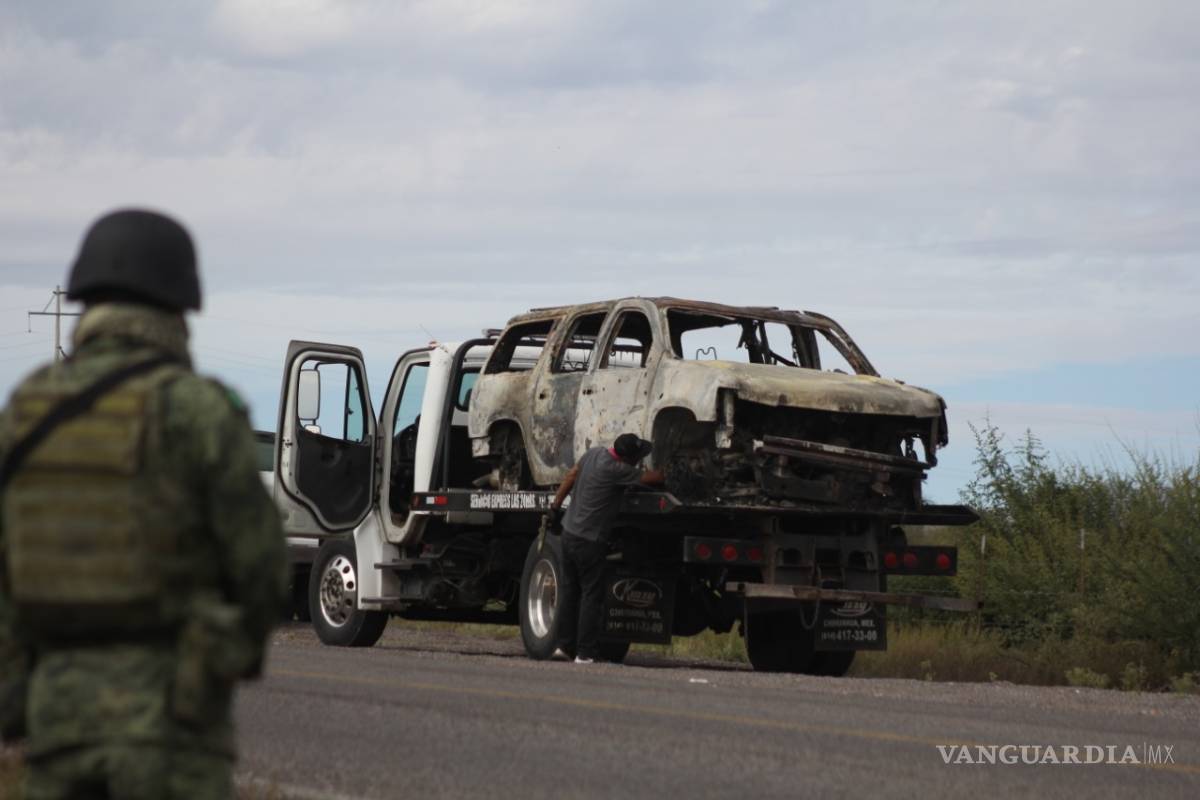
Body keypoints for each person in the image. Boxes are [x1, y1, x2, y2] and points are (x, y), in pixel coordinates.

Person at [0, 209, 288, 799]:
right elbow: (261, 570)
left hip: (57, 725)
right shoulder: (200, 411)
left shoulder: (26, 413)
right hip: (173, 729)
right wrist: (218, 662)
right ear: (179, 304)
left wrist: (17, 697)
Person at [549, 433, 664, 664]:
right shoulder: (619, 471)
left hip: (568, 533)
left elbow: (571, 475)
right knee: (592, 596)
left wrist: (555, 505)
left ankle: (563, 647)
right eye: (638, 457)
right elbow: (652, 478)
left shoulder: (593, 453)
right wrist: (668, 472)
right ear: (628, 458)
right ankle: (585, 653)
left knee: (570, 593)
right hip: (589, 542)